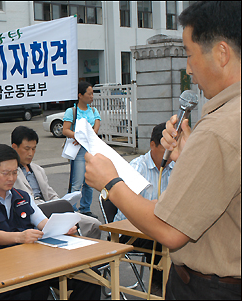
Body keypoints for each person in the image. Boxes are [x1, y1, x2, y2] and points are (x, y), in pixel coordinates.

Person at [84, 2, 240, 299]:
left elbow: (169, 229)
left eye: (190, 54)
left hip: (211, 288)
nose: (188, 69)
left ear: (221, 53)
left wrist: (111, 182)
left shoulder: (221, 128)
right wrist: (192, 152)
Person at [0, 144, 99, 299]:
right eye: (5, 173)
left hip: (35, 261)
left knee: (92, 278)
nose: (11, 178)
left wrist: (61, 228)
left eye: (15, 172)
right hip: (2, 267)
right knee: (30, 291)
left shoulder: (23, 196)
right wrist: (20, 237)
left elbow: (42, 221)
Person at [11, 126, 102, 239]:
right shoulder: (10, 173)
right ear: (14, 147)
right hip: (33, 213)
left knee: (94, 224)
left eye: (34, 149)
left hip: (52, 210)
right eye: (27, 148)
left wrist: (61, 202)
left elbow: (50, 194)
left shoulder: (38, 169)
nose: (31, 153)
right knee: (69, 231)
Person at [113, 122, 174, 223]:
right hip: (132, 228)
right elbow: (126, 211)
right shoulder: (136, 168)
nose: (171, 156)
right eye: (166, 151)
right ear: (152, 145)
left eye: (173, 150)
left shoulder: (176, 166)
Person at [62, 81, 101, 219]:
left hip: (90, 150)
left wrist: (87, 135)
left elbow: (95, 129)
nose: (92, 96)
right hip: (78, 151)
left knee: (89, 182)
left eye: (92, 93)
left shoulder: (94, 111)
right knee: (77, 183)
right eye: (89, 93)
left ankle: (85, 208)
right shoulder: (71, 111)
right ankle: (71, 209)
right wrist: (77, 136)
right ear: (80, 95)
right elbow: (65, 130)